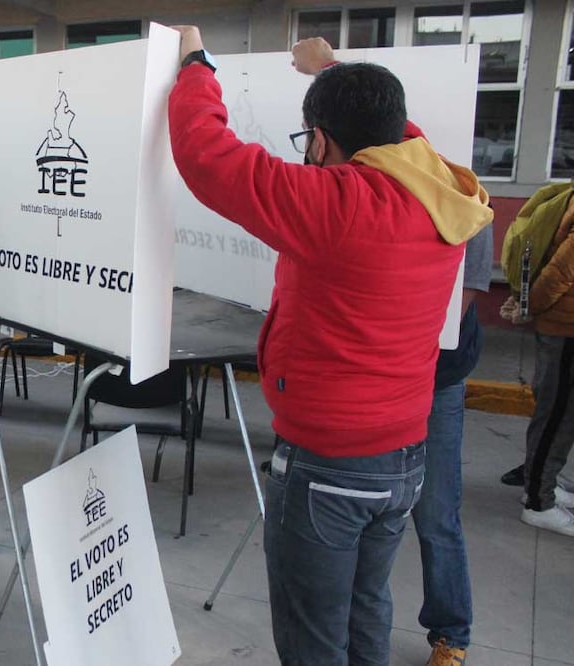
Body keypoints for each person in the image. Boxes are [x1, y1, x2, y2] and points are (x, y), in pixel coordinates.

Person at [167, 31, 492, 665]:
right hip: (402, 460)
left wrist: (195, 68)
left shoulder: (335, 205)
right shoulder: (440, 193)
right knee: (367, 607)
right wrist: (332, 72)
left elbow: (208, 157)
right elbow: (396, 134)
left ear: (319, 140)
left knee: (313, 635)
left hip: (328, 470)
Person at [412, 222, 493, 666]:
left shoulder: (467, 195)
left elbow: (458, 304)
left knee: (436, 512)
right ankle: (351, 622)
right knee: (363, 513)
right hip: (380, 371)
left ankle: (450, 632)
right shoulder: (376, 180)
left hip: (436, 377)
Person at [500, 196, 574, 536]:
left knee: (558, 414)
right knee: (557, 415)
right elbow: (560, 271)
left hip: (561, 329)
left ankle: (543, 483)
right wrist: (531, 308)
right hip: (564, 330)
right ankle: (538, 501)